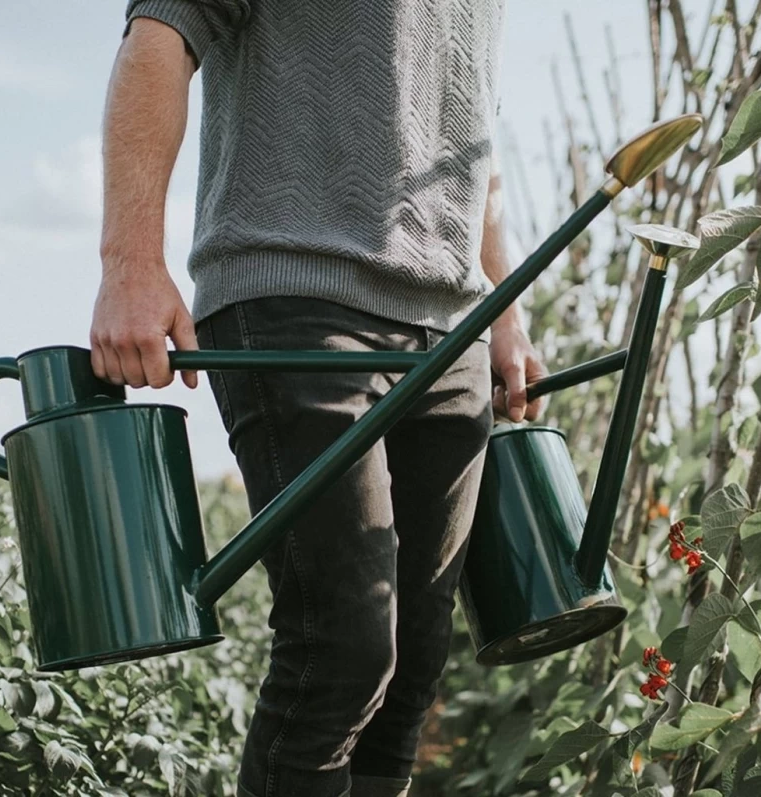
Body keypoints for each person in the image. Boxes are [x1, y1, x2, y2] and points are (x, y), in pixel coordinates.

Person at [90, 2, 545, 795]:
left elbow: (472, 132)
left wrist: (502, 311)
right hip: (295, 290)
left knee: (414, 665)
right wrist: (130, 262)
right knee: (344, 647)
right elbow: (160, 33)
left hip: (448, 327)